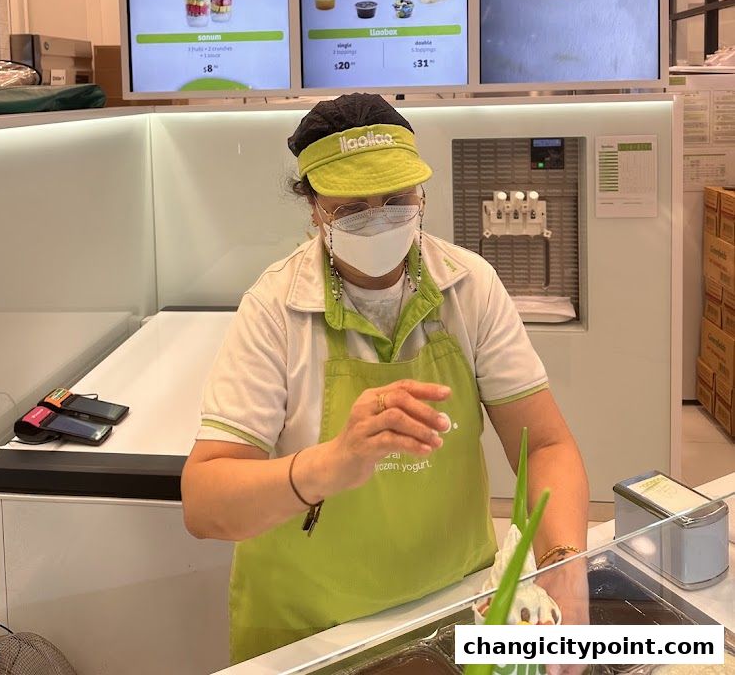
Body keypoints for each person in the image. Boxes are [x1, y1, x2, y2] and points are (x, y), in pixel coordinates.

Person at [182, 93, 589, 663]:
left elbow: (544, 444)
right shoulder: (275, 308)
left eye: (395, 198)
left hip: (450, 609)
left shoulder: (469, 287)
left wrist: (564, 563)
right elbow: (205, 502)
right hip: (309, 632)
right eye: (351, 206)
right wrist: (331, 463)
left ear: (421, 195)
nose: (378, 218)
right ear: (314, 207)